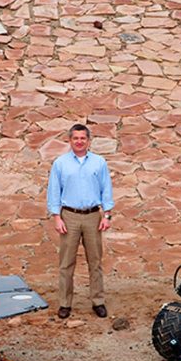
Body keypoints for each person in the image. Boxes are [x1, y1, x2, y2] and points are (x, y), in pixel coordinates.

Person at [46, 124, 114, 319]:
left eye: (83, 138)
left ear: (88, 141)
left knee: (95, 261)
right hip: (69, 216)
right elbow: (54, 191)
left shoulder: (99, 162)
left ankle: (98, 301)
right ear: (70, 140)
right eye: (75, 138)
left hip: (93, 216)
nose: (79, 141)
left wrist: (107, 215)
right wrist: (56, 217)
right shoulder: (60, 163)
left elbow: (106, 189)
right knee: (66, 263)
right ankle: (65, 303)